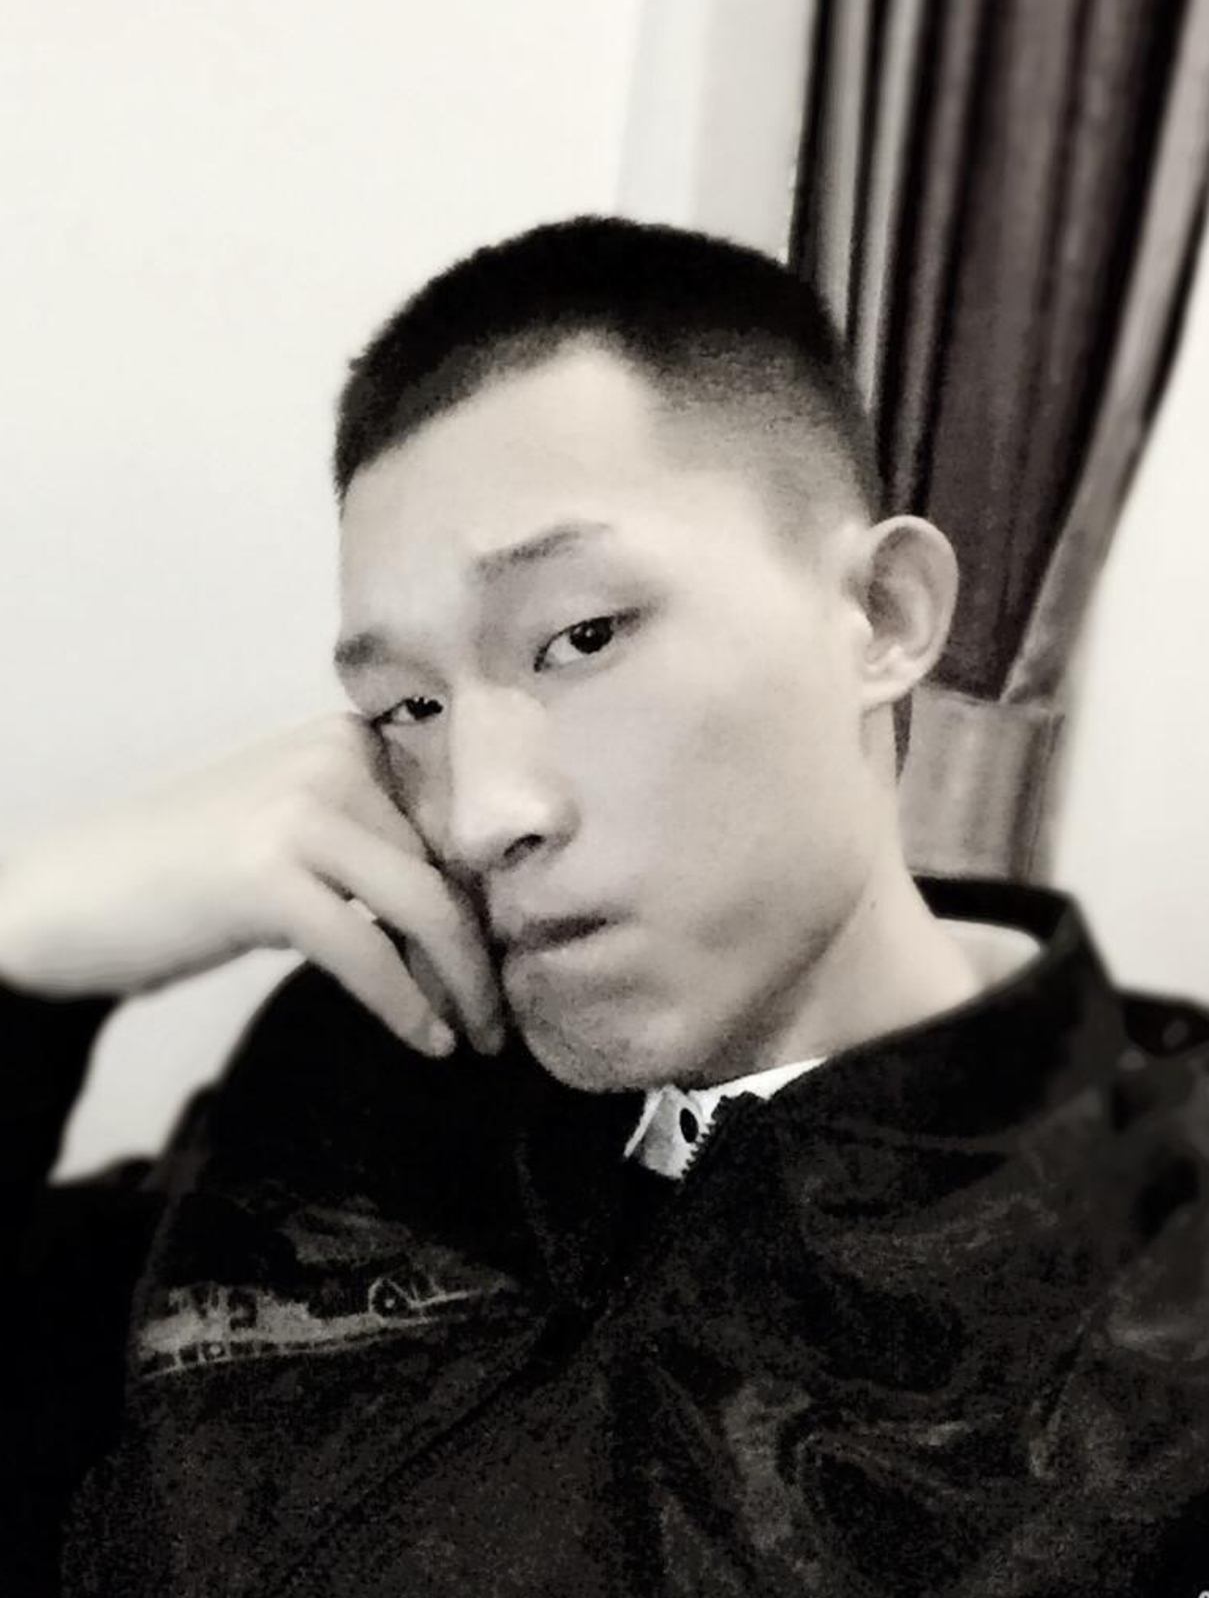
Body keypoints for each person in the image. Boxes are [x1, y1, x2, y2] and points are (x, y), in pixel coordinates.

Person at [2, 217, 1207, 1598]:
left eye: (579, 638)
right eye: (409, 707)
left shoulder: (1152, 1328)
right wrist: (24, 953)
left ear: (880, 614)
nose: (477, 813)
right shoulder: (365, 1067)